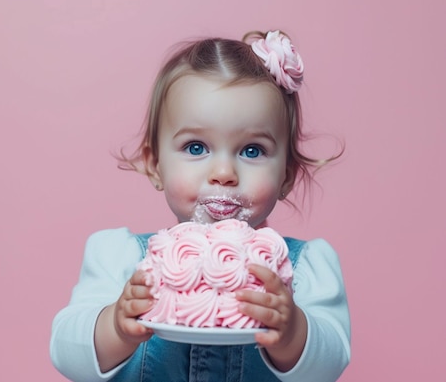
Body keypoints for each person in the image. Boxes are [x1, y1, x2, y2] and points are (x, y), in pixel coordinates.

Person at [50, 30, 350, 382]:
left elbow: (331, 363)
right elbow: (64, 350)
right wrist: (114, 327)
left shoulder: (305, 268)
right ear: (154, 163)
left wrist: (294, 332)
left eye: (252, 150)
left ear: (286, 176)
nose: (223, 173)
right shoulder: (120, 257)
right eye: (196, 148)